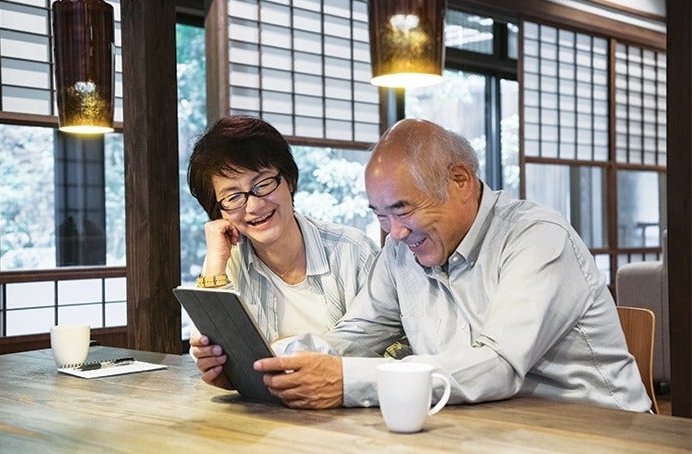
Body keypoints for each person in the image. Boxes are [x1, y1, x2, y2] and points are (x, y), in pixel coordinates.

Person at [253, 118, 652, 412]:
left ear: (460, 180)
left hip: (600, 429)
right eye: (379, 215)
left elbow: (498, 366)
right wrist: (272, 361)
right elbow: (355, 334)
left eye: (402, 209)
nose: (393, 233)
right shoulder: (400, 252)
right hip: (489, 428)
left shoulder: (535, 236)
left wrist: (347, 381)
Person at [187, 115, 379, 390]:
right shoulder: (226, 260)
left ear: (288, 180)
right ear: (219, 211)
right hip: (265, 418)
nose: (253, 206)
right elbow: (213, 355)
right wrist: (215, 264)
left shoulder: (354, 252)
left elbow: (382, 345)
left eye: (262, 184)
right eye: (233, 197)